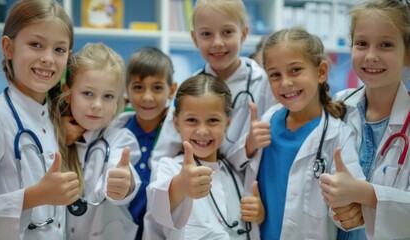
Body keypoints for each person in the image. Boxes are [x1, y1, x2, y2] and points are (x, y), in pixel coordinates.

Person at [241, 27, 365, 239]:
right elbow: (245, 175)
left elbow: (353, 205)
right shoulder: (267, 121)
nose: (286, 82)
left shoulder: (338, 135)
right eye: (275, 75)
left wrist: (348, 202)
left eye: (295, 70)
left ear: (321, 72)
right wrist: (249, 146)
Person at [150, 0, 276, 192]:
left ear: (243, 34)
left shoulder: (263, 83)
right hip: (198, 193)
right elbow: (162, 154)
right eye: (206, 34)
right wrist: (164, 193)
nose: (217, 42)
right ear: (194, 38)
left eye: (227, 32)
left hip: (248, 193)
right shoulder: (190, 88)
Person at [0, 0, 78, 239]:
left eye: (59, 49)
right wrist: (34, 197)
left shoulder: (54, 119)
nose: (48, 58)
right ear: (8, 47)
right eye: (36, 44)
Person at [320, 1, 410, 239]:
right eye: (361, 43)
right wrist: (342, 211)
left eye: (386, 45)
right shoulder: (337, 106)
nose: (371, 56)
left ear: (407, 53)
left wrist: (367, 195)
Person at [146, 74, 264, 240]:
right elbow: (158, 205)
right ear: (176, 123)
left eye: (212, 120)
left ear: (227, 123)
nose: (202, 131)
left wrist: (258, 215)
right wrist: (180, 185)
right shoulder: (170, 168)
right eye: (192, 120)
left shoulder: (233, 173)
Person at [52, 42, 141, 240]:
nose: (97, 105)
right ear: (68, 93)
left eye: (108, 96)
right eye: (87, 93)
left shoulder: (120, 139)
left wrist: (123, 185)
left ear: (118, 100)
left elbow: (121, 170)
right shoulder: (53, 136)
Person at [110, 46, 177, 240]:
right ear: (126, 90)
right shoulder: (116, 133)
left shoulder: (177, 136)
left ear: (171, 90)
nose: (147, 97)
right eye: (138, 87)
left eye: (157, 88)